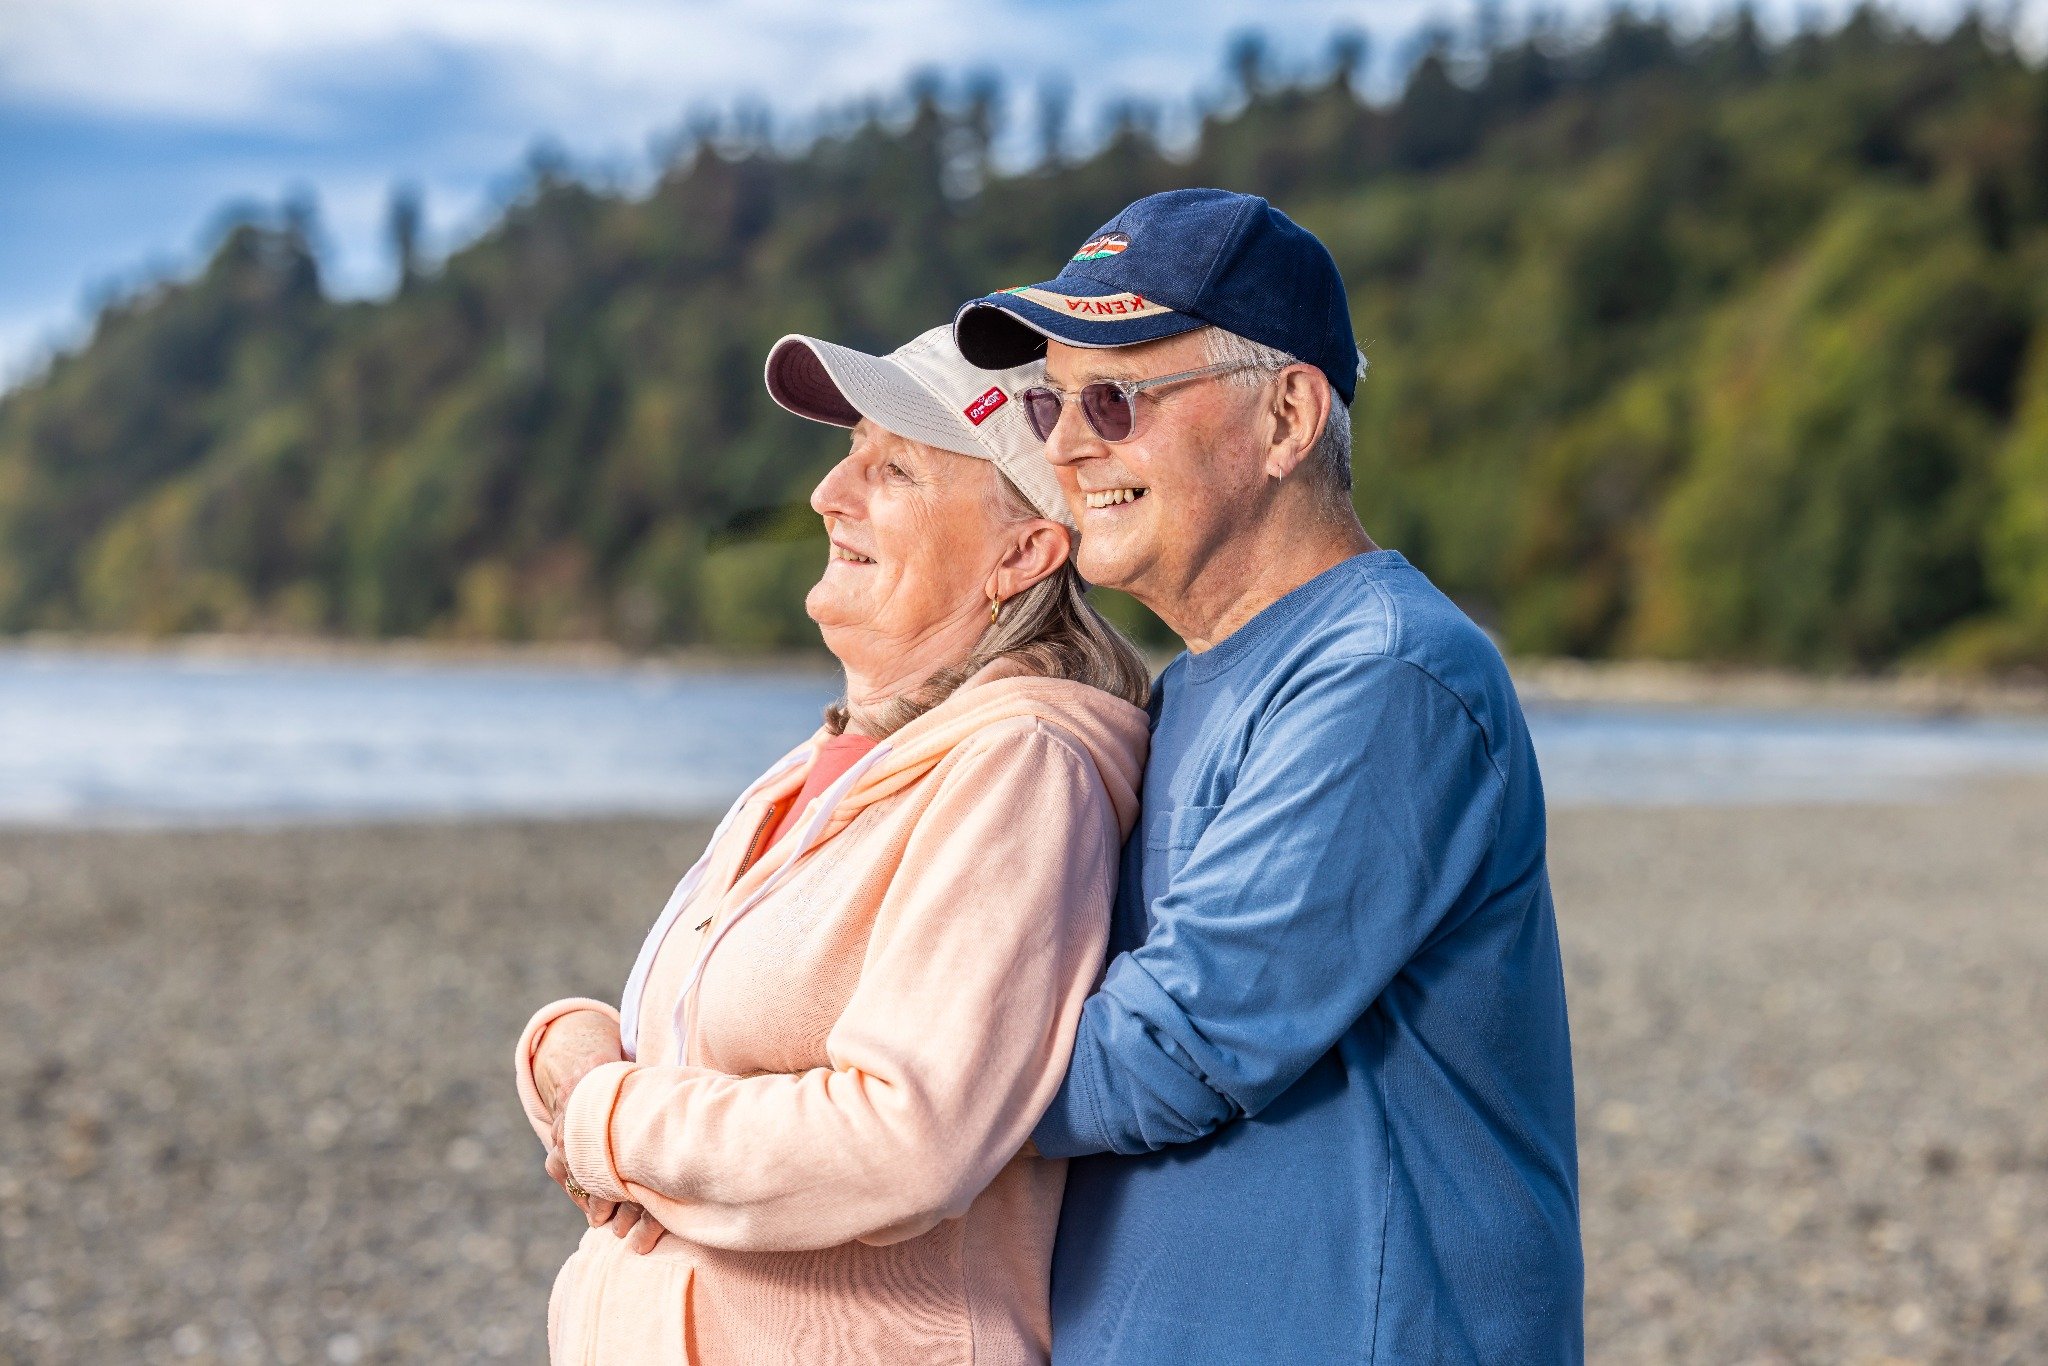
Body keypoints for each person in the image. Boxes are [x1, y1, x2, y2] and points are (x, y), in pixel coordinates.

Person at [953, 188, 1583, 1363]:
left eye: (1115, 397)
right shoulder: (1192, 686)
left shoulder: (1387, 674)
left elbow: (1169, 1051)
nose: (1063, 442)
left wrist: (856, 1085)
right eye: (1049, 398)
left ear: (1287, 417)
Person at [511, 323, 1152, 1364]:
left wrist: (605, 1123)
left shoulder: (1021, 767)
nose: (826, 493)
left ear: (1023, 551)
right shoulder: (822, 763)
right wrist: (565, 1044)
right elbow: (681, 1039)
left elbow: (905, 1137)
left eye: (891, 468)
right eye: (849, 449)